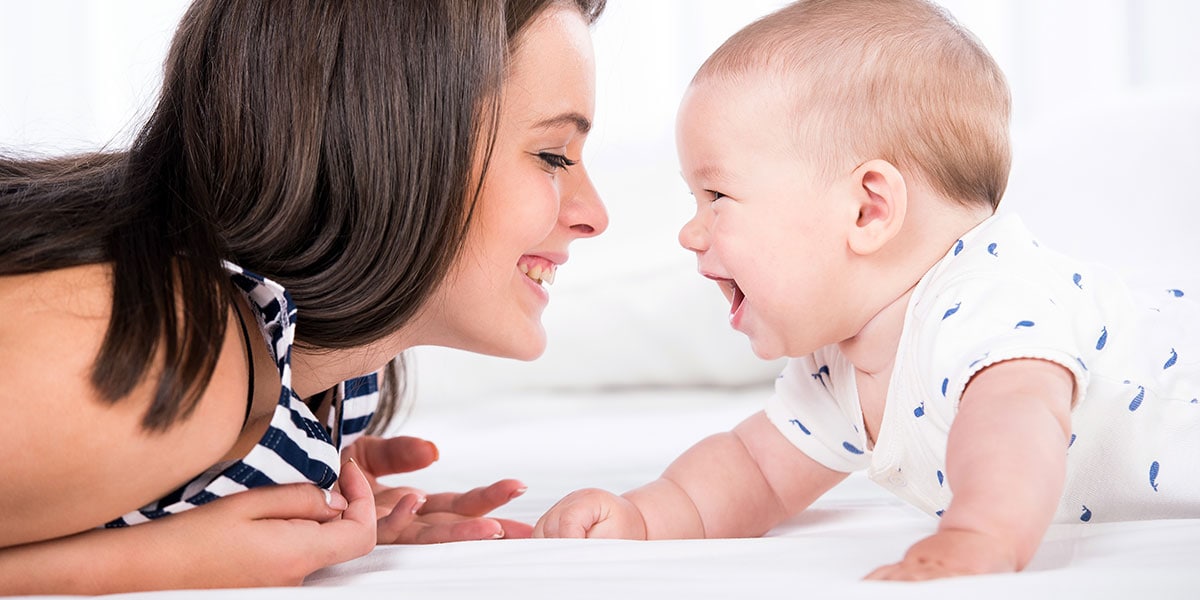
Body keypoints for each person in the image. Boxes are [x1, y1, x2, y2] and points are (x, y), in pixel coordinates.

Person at [533, 0, 1200, 581]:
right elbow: (755, 471)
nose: (690, 232)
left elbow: (1015, 425)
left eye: (717, 196)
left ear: (867, 211)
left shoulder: (988, 300)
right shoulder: (841, 364)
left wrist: (979, 533)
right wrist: (644, 516)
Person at [0, 0, 607, 593]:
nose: (596, 215)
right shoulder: (174, 347)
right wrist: (156, 561)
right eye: (552, 155)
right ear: (389, 145)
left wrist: (301, 485)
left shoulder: (324, 377)